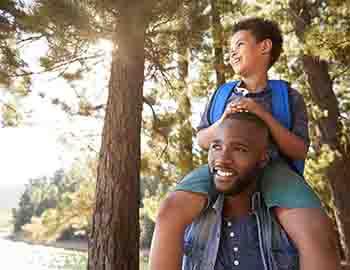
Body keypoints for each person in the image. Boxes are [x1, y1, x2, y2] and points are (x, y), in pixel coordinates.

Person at [150, 17, 340, 270]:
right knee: (169, 211)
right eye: (230, 49)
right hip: (220, 166)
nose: (232, 53)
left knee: (316, 231)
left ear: (264, 47)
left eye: (239, 44)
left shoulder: (288, 96)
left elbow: (298, 149)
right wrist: (223, 121)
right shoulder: (221, 95)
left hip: (273, 170)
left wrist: (261, 115)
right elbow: (203, 140)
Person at [150, 112, 339, 270]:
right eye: (216, 146)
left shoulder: (287, 224)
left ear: (263, 159)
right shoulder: (191, 219)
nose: (222, 159)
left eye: (239, 149)